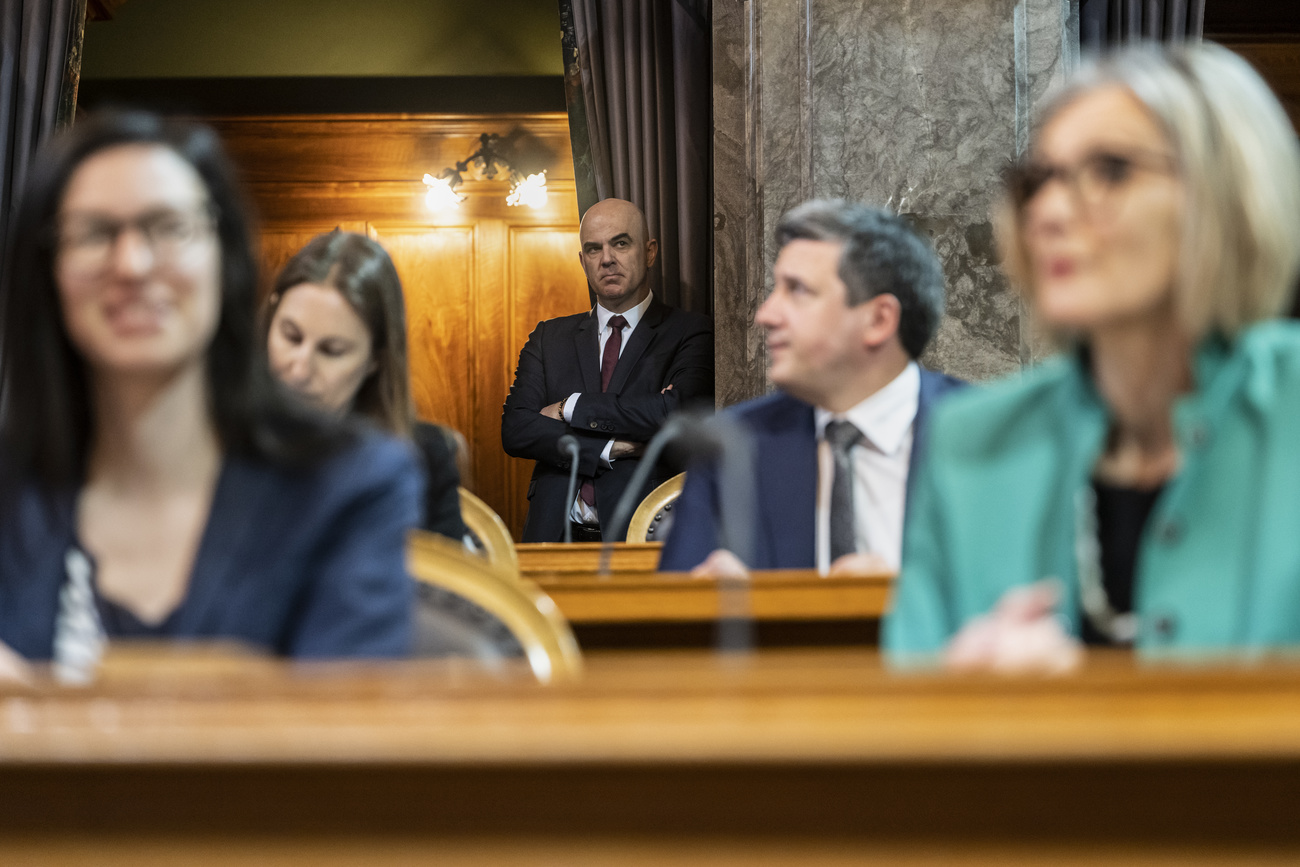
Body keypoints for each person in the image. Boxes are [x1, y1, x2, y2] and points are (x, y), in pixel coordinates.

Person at [884, 42, 1300, 670]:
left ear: (1226, 191)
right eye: (1038, 181)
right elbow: (907, 702)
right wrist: (962, 699)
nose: (1048, 212)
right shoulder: (971, 442)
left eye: (1110, 170)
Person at [0, 111, 420, 670]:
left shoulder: (350, 485)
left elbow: (340, 718)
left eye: (170, 227)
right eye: (95, 233)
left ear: (226, 261)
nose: (132, 264)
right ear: (47, 270)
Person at [659, 201, 963, 575]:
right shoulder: (733, 445)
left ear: (878, 320)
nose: (765, 315)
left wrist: (903, 600)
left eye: (797, 290)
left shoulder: (1000, 439)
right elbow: (675, 603)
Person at [501, 197, 714, 543]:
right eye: (593, 249)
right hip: (554, 536)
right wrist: (611, 448)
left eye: (621, 243)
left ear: (650, 252)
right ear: (583, 261)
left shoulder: (690, 332)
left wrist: (569, 407)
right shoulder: (548, 337)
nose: (607, 259)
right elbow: (517, 429)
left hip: (644, 537)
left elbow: (675, 413)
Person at [265, 230, 468, 542]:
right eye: (291, 337)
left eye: (332, 350)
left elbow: (446, 571)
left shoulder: (424, 457)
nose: (300, 369)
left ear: (376, 358)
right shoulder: (219, 441)